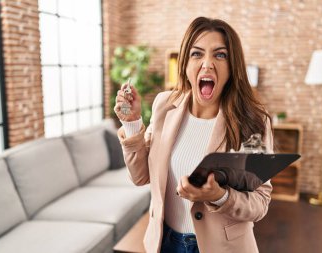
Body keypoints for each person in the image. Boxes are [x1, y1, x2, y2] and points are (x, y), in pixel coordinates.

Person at [114, 16, 273, 253]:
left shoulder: (252, 121)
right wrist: (132, 123)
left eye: (220, 55)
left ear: (232, 67)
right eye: (197, 54)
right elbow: (140, 176)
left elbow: (259, 203)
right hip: (165, 242)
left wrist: (219, 196)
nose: (207, 64)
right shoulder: (164, 104)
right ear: (185, 64)